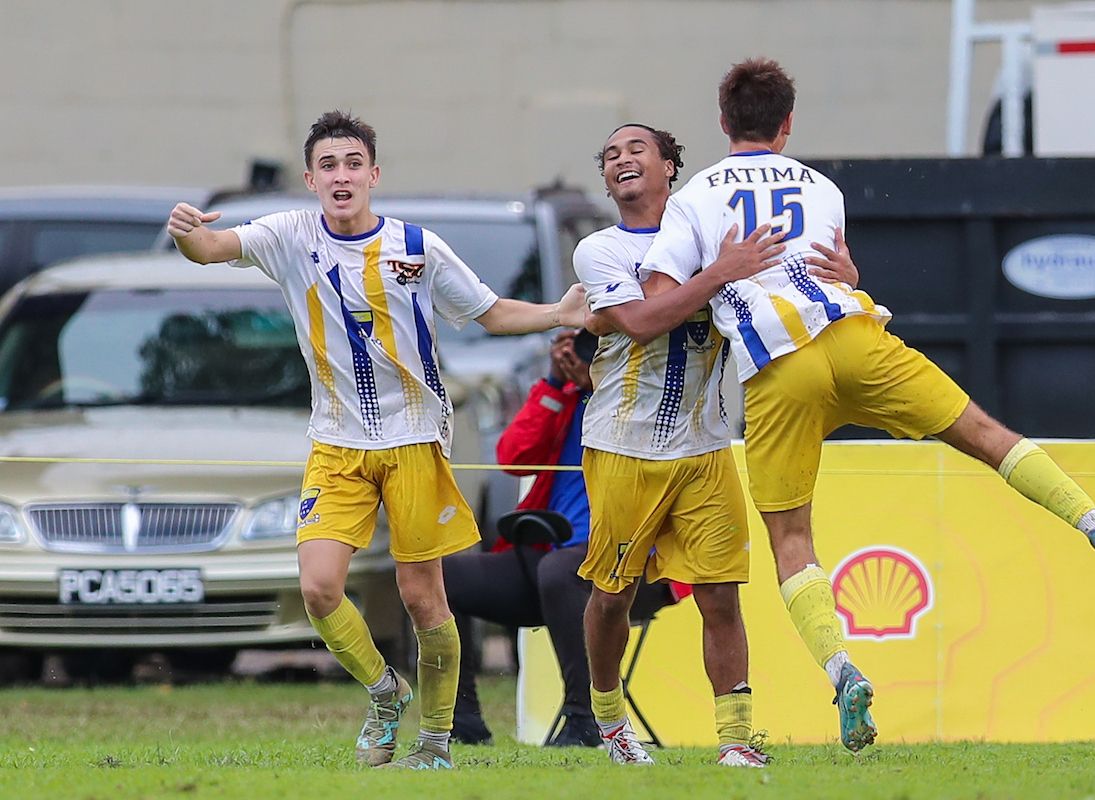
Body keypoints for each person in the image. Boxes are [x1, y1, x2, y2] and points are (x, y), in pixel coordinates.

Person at [634, 58, 1095, 754]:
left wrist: (719, 274)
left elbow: (653, 301)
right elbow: (835, 266)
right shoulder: (821, 187)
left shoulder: (699, 195)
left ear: (722, 122)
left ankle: (842, 668)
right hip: (858, 336)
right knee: (983, 431)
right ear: (788, 123)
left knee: (793, 541)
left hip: (778, 366)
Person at [166, 110, 585, 770]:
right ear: (310, 178)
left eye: (352, 164)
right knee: (319, 589)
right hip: (336, 446)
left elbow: (490, 311)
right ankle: (385, 693)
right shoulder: (288, 235)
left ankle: (437, 739)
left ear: (373, 175)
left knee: (425, 597)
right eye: (328, 165)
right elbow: (212, 250)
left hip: (416, 440)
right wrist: (189, 235)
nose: (341, 176)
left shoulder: (417, 246)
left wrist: (560, 312)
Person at [573, 123, 859, 767]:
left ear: (671, 167)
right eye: (609, 153)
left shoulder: (711, 232)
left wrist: (846, 274)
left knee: (722, 594)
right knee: (613, 595)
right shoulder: (600, 249)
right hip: (625, 446)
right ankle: (610, 717)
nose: (621, 159)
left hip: (705, 449)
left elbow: (798, 300)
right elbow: (646, 323)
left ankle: (735, 739)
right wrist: (722, 273)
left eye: (635, 150)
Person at [442, 329, 677, 748]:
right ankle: (462, 724)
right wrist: (554, 384)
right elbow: (513, 459)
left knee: (559, 571)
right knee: (442, 577)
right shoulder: (566, 397)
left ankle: (586, 717)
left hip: (636, 564)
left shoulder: (648, 393)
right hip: (554, 563)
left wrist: (605, 384)